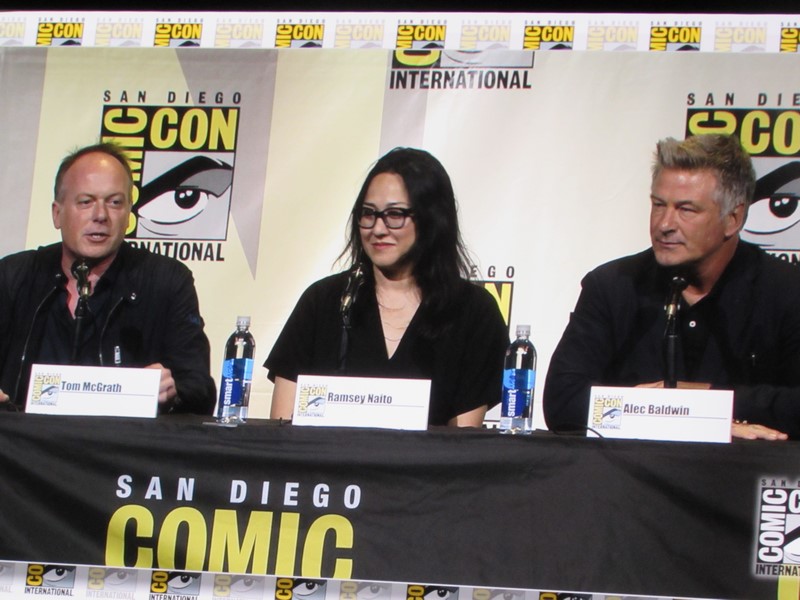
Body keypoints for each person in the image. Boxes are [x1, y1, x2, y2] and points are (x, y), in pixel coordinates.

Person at [543, 134, 800, 441]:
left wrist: (709, 403)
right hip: (632, 470)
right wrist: (681, 414)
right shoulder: (612, 286)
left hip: (744, 470)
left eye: (686, 210)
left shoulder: (787, 292)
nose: (664, 224)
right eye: (658, 205)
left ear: (733, 218)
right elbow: (563, 401)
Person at [265, 147, 508, 426]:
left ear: (431, 218)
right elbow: (280, 431)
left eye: (395, 214)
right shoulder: (323, 301)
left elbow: (462, 441)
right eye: (368, 214)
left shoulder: (472, 311)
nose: (378, 229)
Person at [0, 142, 216, 414]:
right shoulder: (14, 276)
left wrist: (174, 392)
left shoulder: (166, 281)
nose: (100, 215)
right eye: (86, 202)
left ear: (128, 215)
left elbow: (200, 388)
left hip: (123, 441)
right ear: (57, 214)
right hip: (24, 439)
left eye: (115, 202)